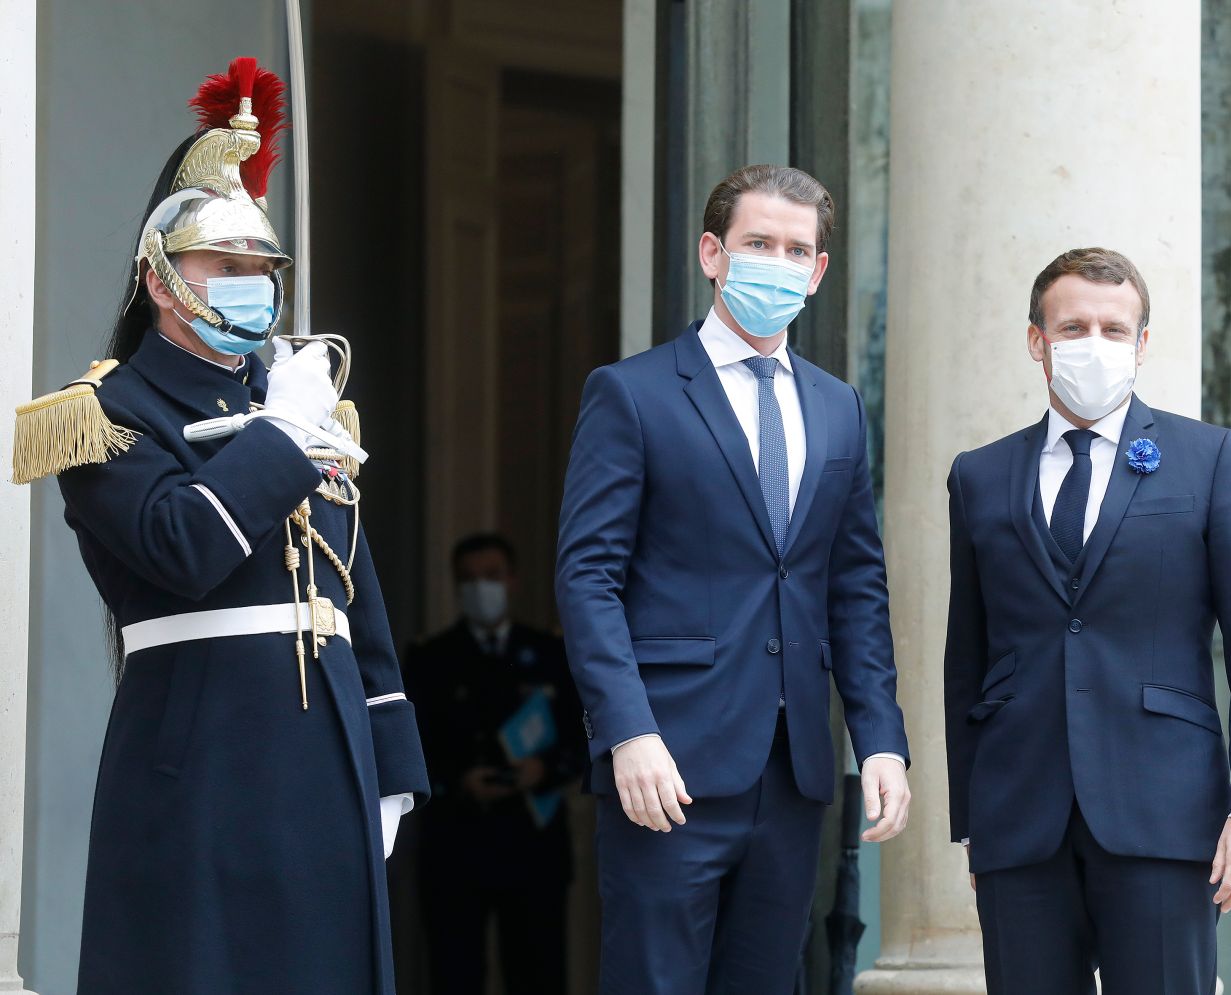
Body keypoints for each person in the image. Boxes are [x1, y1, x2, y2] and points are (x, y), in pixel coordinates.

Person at [10, 58, 428, 994]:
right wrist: (281, 433)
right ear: (162, 282)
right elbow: (182, 546)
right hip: (203, 757)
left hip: (327, 760)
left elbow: (350, 588)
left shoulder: (301, 402)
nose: (253, 286)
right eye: (226, 268)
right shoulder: (106, 411)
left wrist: (392, 755)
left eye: (262, 270)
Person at [555, 164, 912, 993]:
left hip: (791, 775)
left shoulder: (838, 408)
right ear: (713, 253)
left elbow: (854, 587)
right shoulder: (632, 393)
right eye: (758, 243)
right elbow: (588, 576)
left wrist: (881, 736)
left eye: (797, 249)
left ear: (819, 271)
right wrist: (627, 732)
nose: (778, 262)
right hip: (666, 766)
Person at [943, 247, 1231, 994]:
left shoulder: (1210, 459)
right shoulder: (980, 474)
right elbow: (966, 659)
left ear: (1141, 344)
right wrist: (975, 822)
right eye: (1073, 326)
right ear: (1037, 340)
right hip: (1020, 819)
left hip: (1165, 812)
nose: (1093, 343)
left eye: (1113, 327)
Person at [405, 532, 582, 995]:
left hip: (534, 845)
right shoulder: (430, 658)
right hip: (456, 845)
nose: (480, 588)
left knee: (539, 974)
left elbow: (585, 738)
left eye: (490, 577)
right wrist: (457, 781)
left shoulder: (550, 653)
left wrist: (544, 770)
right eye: (468, 580)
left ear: (512, 580)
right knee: (456, 974)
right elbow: (412, 746)